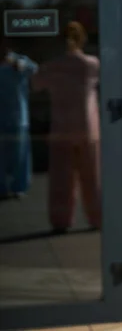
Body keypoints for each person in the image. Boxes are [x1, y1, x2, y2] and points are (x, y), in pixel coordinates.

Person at [33, 21, 101, 231]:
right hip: (87, 128)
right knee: (92, 178)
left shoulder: (51, 67)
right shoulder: (91, 64)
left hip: (61, 128)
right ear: (83, 39)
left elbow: (35, 85)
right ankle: (97, 218)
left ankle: (61, 220)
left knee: (61, 181)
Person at [0, 38, 38, 200]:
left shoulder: (18, 61)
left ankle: (19, 186)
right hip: (4, 116)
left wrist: (20, 64)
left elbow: (34, 68)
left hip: (18, 117)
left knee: (20, 155)